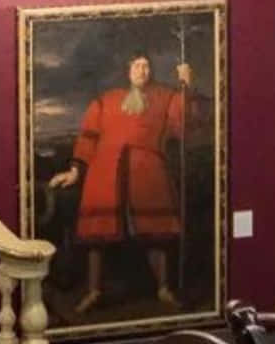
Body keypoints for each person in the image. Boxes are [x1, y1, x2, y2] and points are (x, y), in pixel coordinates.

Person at [48, 51, 192, 315]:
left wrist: (185, 86)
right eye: (137, 65)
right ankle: (93, 291)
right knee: (97, 237)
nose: (143, 71)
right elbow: (88, 137)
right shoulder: (106, 101)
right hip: (105, 173)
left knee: (155, 234)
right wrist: (75, 171)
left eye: (147, 66)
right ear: (127, 70)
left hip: (148, 173)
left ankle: (163, 289)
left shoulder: (165, 97)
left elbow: (182, 125)